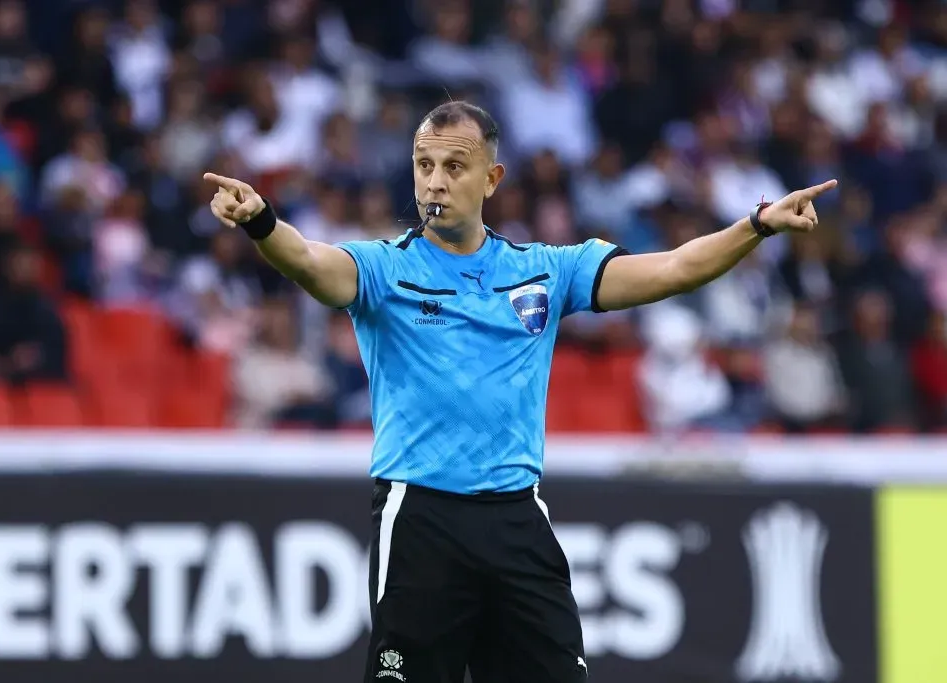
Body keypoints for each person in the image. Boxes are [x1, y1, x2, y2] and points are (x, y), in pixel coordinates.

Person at [203, 101, 837, 683]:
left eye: (455, 165)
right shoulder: (383, 269)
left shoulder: (547, 270)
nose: (435, 181)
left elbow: (674, 268)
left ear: (492, 179)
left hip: (515, 520)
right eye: (424, 165)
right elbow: (310, 263)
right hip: (421, 518)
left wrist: (757, 225)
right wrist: (261, 220)